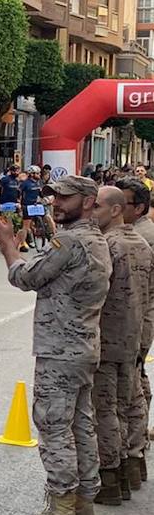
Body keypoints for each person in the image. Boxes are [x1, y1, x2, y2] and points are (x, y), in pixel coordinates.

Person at [0, 176, 111, 515]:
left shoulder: (70, 241)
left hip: (60, 349)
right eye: (54, 196)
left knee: (54, 425)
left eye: (65, 197)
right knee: (80, 425)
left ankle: (60, 507)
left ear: (88, 202)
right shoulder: (95, 239)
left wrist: (8, 245)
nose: (56, 202)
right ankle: (83, 503)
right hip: (83, 347)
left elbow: (27, 277)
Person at [90, 185, 153, 504]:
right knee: (128, 404)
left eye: (97, 206)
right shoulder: (140, 242)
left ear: (116, 210)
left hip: (107, 339)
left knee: (105, 411)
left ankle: (110, 478)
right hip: (132, 337)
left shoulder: (107, 245)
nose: (92, 211)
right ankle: (130, 466)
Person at [118, 177, 154, 484]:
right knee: (135, 384)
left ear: (138, 207)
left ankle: (131, 453)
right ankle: (135, 452)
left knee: (128, 391)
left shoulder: (141, 237)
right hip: (137, 321)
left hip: (133, 322)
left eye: (123, 204)